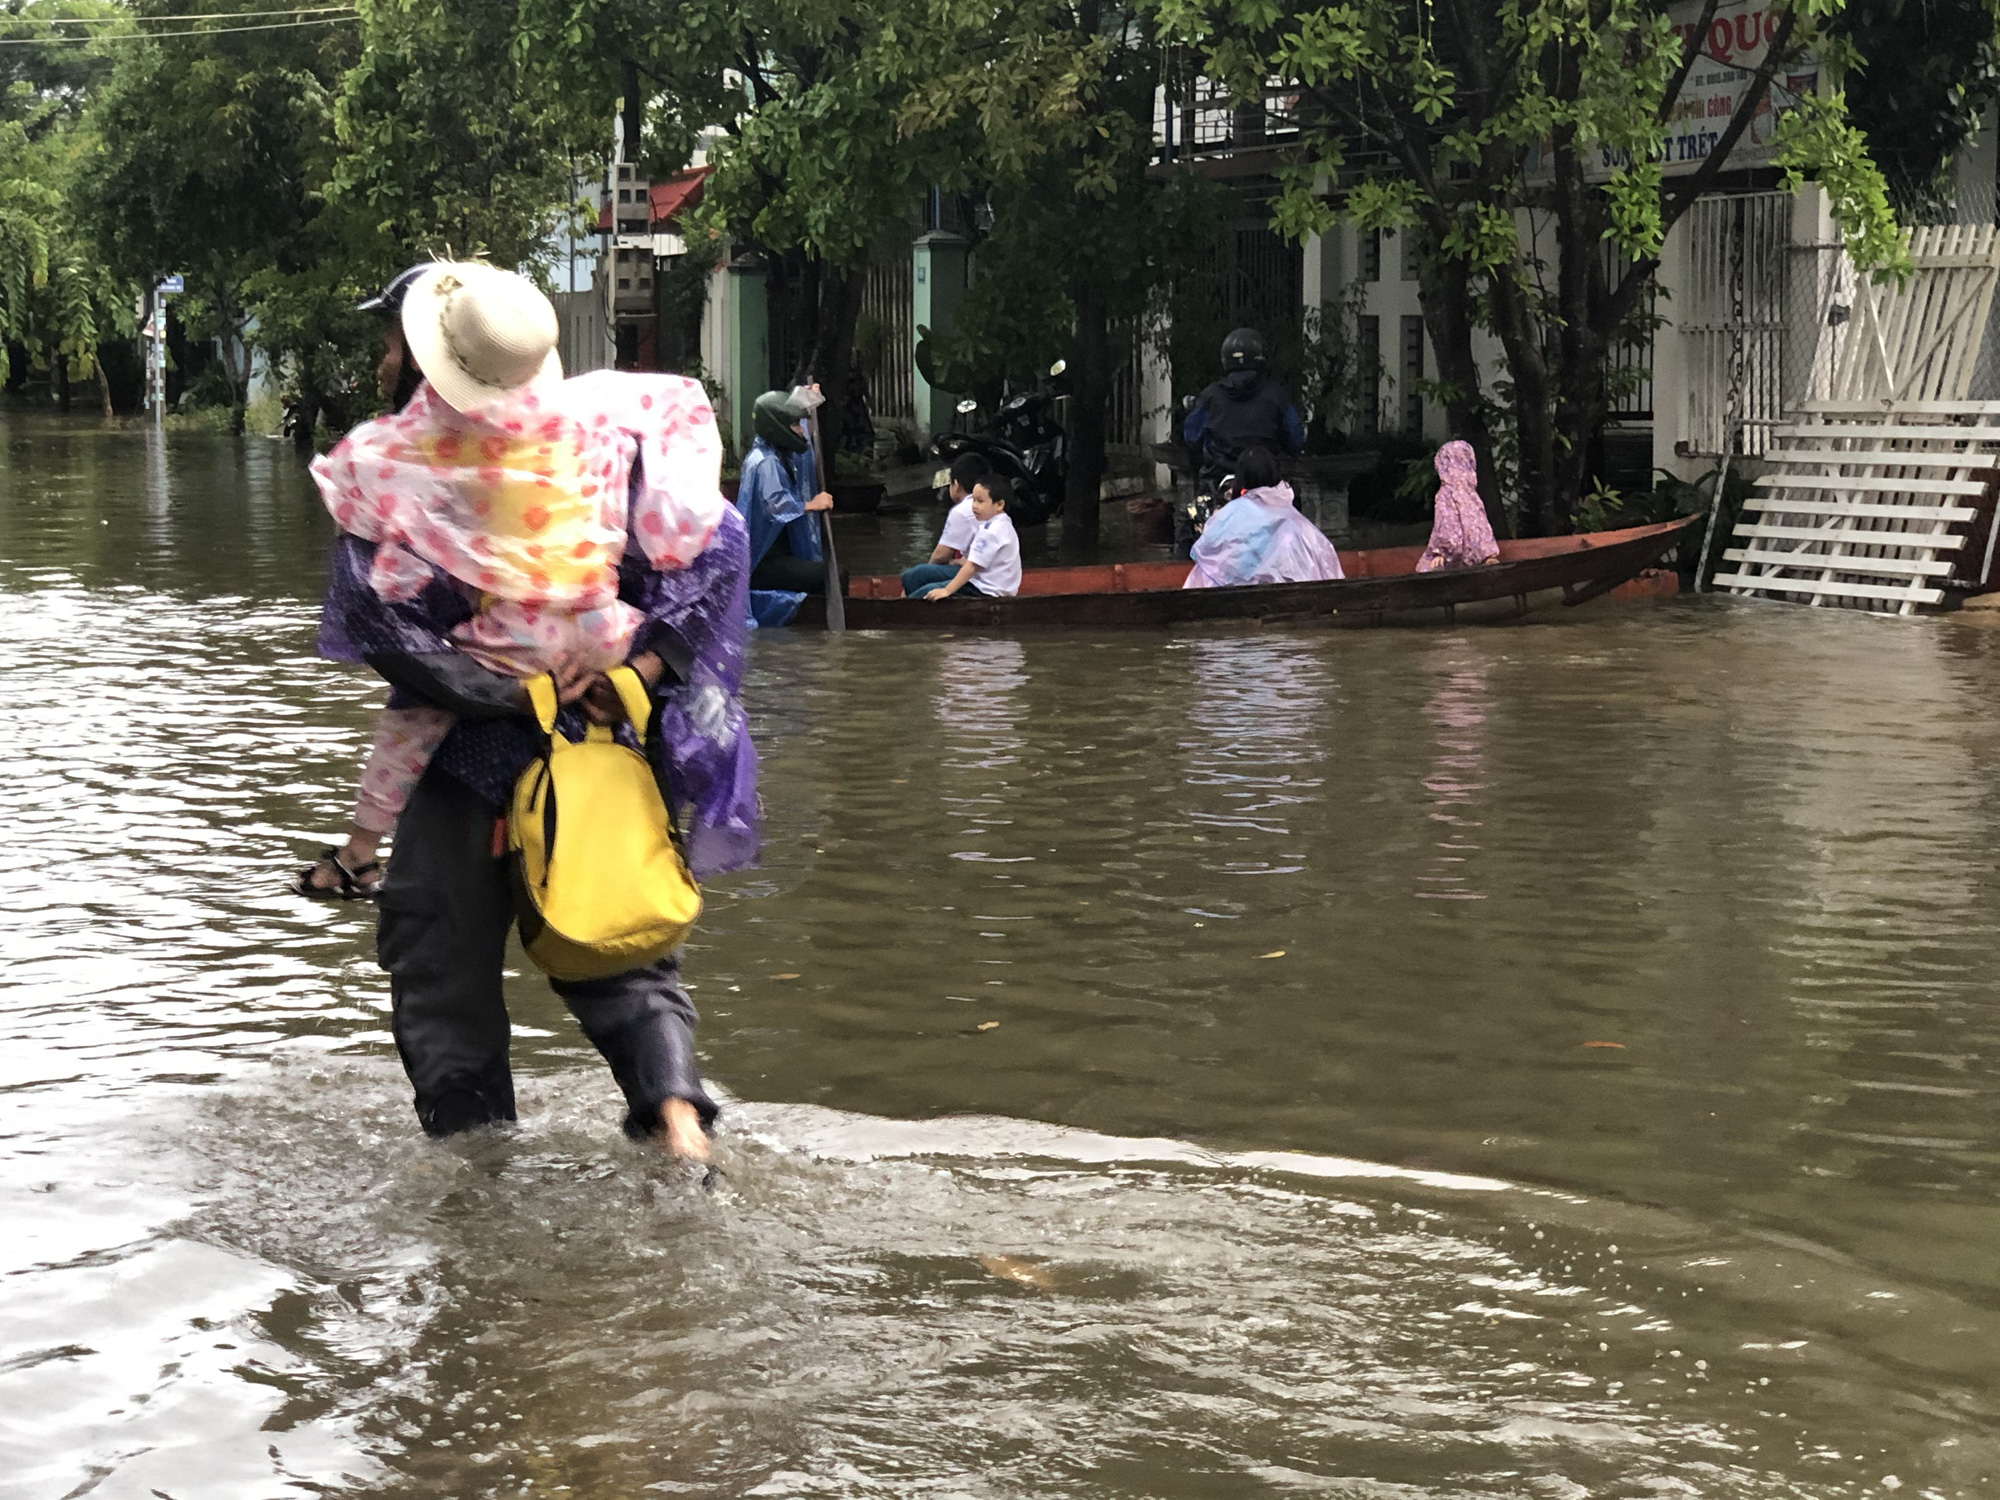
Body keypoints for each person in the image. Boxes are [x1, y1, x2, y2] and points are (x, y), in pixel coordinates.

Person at [307, 261, 759, 1157]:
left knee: (439, 970)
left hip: (468, 765)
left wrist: (516, 693)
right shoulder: (616, 431)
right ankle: (678, 1124)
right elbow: (719, 550)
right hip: (599, 745)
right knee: (623, 952)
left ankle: (475, 1192)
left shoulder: (394, 469)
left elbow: (383, 629)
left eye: (394, 343)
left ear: (427, 367)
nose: (385, 358)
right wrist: (637, 664)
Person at [1180, 328, 1306, 557]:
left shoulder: (1210, 395)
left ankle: (1180, 581)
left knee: (1187, 528)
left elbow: (1191, 437)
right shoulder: (1277, 396)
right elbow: (1296, 440)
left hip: (1217, 483)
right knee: (1297, 529)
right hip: (1266, 486)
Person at [736, 387, 833, 627]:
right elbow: (776, 506)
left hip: (775, 557)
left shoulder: (779, 455)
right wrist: (812, 504)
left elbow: (806, 452)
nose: (801, 430)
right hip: (762, 563)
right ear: (777, 428)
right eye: (795, 425)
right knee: (832, 575)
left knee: (827, 570)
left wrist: (807, 400)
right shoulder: (766, 462)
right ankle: (818, 626)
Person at [1183, 447, 1345, 589]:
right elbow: (1329, 571)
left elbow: (1204, 571)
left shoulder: (1226, 517)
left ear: (1241, 477)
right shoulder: (1298, 524)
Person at [911, 476, 1021, 600]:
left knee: (928, 591)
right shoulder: (1003, 523)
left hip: (986, 589)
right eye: (973, 500)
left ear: (999, 504)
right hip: (993, 585)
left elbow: (972, 567)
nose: (974, 506)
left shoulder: (991, 531)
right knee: (923, 581)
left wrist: (947, 590)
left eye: (980, 501)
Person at [900, 452, 991, 596]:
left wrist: (927, 572)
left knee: (914, 577)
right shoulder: (992, 504)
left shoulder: (962, 510)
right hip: (985, 573)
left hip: (980, 578)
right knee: (917, 577)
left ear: (956, 485)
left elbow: (940, 556)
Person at [1416, 440, 1501, 572]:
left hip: (1452, 556)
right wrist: (1488, 553)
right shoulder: (1471, 494)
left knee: (1426, 568)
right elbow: (1480, 525)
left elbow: (1446, 524)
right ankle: (1487, 558)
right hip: (1474, 555)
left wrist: (1441, 552)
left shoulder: (1445, 493)